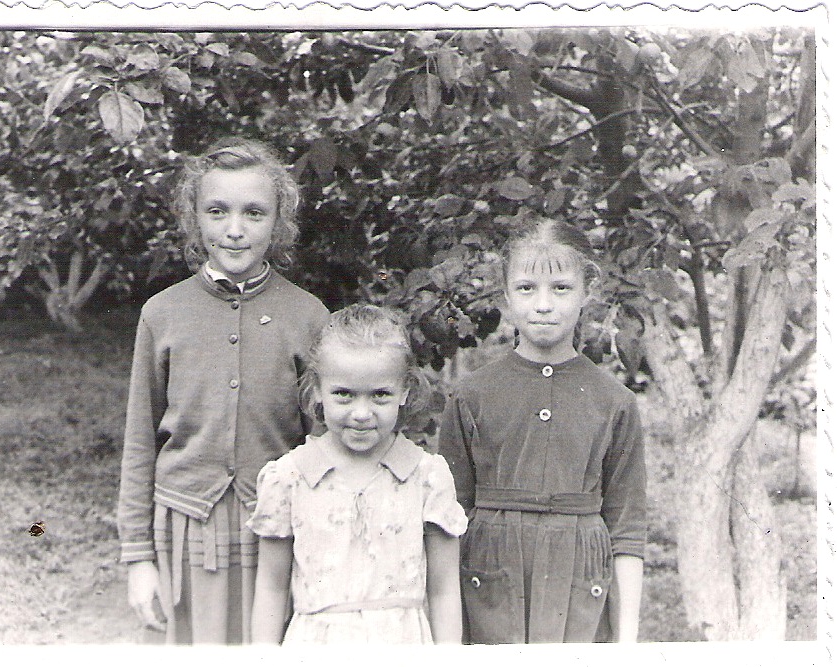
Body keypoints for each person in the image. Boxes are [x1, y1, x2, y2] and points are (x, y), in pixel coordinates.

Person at [117, 137, 329, 644]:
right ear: (195, 219)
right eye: (217, 211)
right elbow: (139, 441)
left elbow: (324, 444)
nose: (235, 229)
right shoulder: (162, 313)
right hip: (185, 524)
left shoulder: (308, 315)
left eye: (254, 213)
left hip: (277, 530)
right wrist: (138, 558)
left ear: (278, 222)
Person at [438, 217, 647, 644]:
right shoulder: (471, 395)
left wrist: (626, 644)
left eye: (561, 288)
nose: (543, 304)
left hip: (580, 585)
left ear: (588, 291)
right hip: (489, 584)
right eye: (527, 288)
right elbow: (448, 518)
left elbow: (627, 529)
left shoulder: (615, 401)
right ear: (505, 293)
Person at [248, 304, 468, 644]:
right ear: (317, 389)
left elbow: (443, 592)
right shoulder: (290, 478)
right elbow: (271, 588)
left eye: (380, 395)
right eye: (344, 395)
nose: (361, 413)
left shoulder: (426, 476)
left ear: (405, 391)